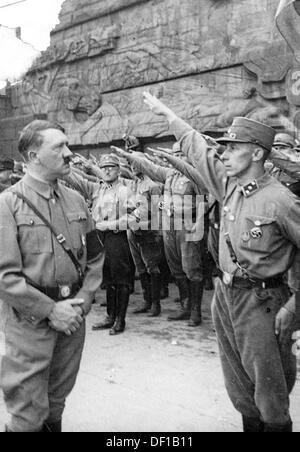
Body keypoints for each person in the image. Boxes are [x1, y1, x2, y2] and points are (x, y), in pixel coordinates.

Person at [143, 91, 300, 432]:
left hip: (263, 302)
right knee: (240, 387)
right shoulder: (228, 184)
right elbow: (196, 146)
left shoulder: (281, 200)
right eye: (224, 148)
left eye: (233, 148)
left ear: (257, 152)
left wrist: (296, 304)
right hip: (226, 297)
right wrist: (167, 113)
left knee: (270, 392)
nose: (224, 154)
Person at [0, 120, 104, 432]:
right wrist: (50, 310)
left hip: (72, 320)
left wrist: (82, 302)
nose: (69, 153)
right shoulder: (7, 204)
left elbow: (96, 257)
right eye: (59, 147)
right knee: (28, 413)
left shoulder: (76, 200)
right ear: (33, 156)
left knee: (56, 403)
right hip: (30, 323)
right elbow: (4, 276)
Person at [113, 143, 205, 327]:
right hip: (169, 224)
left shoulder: (194, 174)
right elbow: (150, 167)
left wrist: (199, 222)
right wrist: (129, 156)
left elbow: (204, 201)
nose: (177, 157)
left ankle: (195, 310)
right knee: (175, 266)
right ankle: (184, 305)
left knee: (191, 267)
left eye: (181, 154)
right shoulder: (169, 174)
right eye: (175, 154)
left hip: (187, 224)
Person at [66, 154, 136, 336]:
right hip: (99, 238)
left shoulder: (125, 191)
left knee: (121, 279)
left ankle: (120, 319)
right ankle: (110, 316)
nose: (106, 170)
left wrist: (111, 225)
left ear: (119, 170)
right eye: (103, 168)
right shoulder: (97, 189)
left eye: (111, 167)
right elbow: (74, 179)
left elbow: (135, 217)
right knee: (108, 278)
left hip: (116, 237)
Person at [124, 158, 162, 317]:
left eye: (136, 163)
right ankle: (147, 301)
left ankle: (155, 303)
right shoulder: (132, 185)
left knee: (152, 267)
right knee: (140, 267)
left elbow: (157, 212)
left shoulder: (152, 186)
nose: (132, 167)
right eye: (130, 163)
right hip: (132, 230)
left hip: (147, 232)